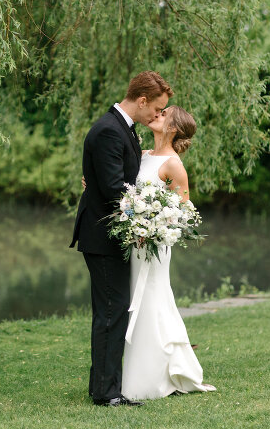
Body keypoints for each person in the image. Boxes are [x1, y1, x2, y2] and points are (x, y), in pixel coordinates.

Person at [70, 71, 172, 407]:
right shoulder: (108, 131)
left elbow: (117, 179)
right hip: (102, 237)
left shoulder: (121, 128)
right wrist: (145, 222)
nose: (157, 116)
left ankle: (104, 386)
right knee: (111, 313)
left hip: (110, 235)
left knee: (113, 312)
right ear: (141, 101)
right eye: (156, 109)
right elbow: (116, 191)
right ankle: (106, 392)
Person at [120, 105, 216, 399]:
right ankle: (143, 370)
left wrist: (154, 228)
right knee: (135, 300)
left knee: (152, 300)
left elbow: (184, 212)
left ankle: (151, 378)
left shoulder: (174, 164)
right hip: (133, 242)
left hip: (154, 245)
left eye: (163, 114)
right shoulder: (144, 155)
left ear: (172, 128)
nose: (155, 115)